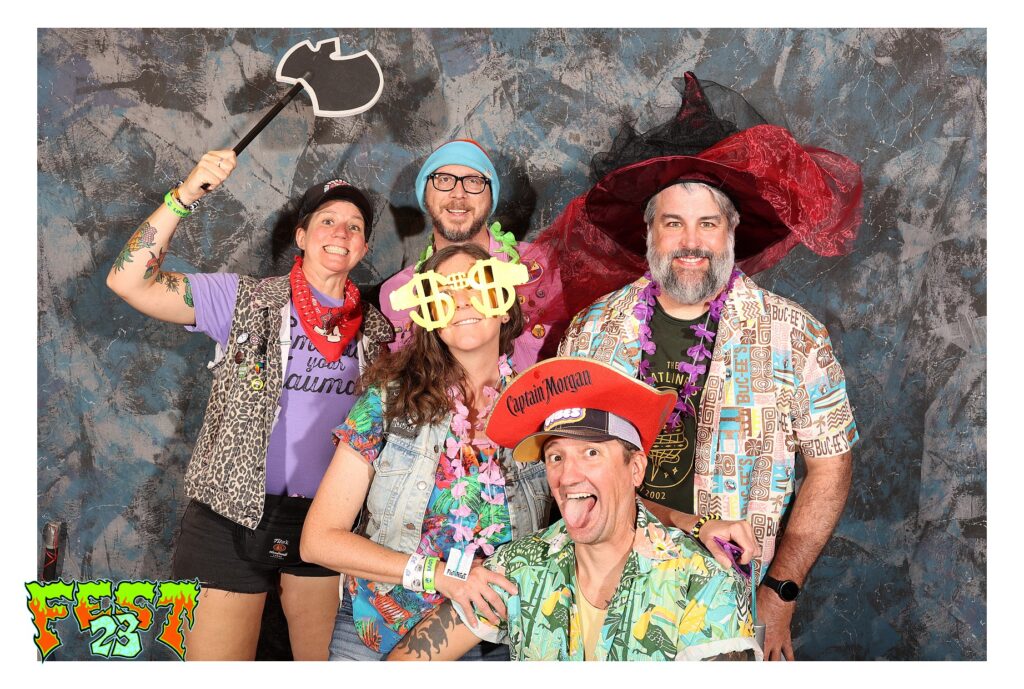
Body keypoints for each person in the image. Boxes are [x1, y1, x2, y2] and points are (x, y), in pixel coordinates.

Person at [556, 127, 861, 660]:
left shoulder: (794, 335)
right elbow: (565, 466)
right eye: (673, 223)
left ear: (732, 231)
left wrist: (780, 591)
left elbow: (831, 469)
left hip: (733, 602)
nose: (691, 242)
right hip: (605, 594)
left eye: (708, 223)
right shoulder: (592, 331)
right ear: (650, 231)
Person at [106, 150, 393, 660]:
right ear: (301, 236)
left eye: (354, 226)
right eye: (327, 220)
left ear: (365, 246)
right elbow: (128, 281)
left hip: (327, 526)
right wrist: (184, 195)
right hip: (229, 518)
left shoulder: (380, 332)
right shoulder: (243, 299)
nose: (341, 232)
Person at [387, 357, 760, 661]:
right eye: (556, 457)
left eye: (591, 452)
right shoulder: (519, 566)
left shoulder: (704, 579)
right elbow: (406, 663)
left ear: (636, 469)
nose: (567, 476)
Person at [301, 242, 553, 660]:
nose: (463, 301)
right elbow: (318, 541)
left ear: (505, 307)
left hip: (490, 637)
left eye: (477, 286)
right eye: (445, 294)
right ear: (430, 318)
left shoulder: (542, 412)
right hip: (380, 626)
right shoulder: (388, 402)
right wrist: (439, 575)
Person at [378, 139, 558, 370]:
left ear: (491, 198)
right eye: (443, 180)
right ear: (425, 195)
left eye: (474, 181)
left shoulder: (542, 265)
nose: (458, 194)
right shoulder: (396, 293)